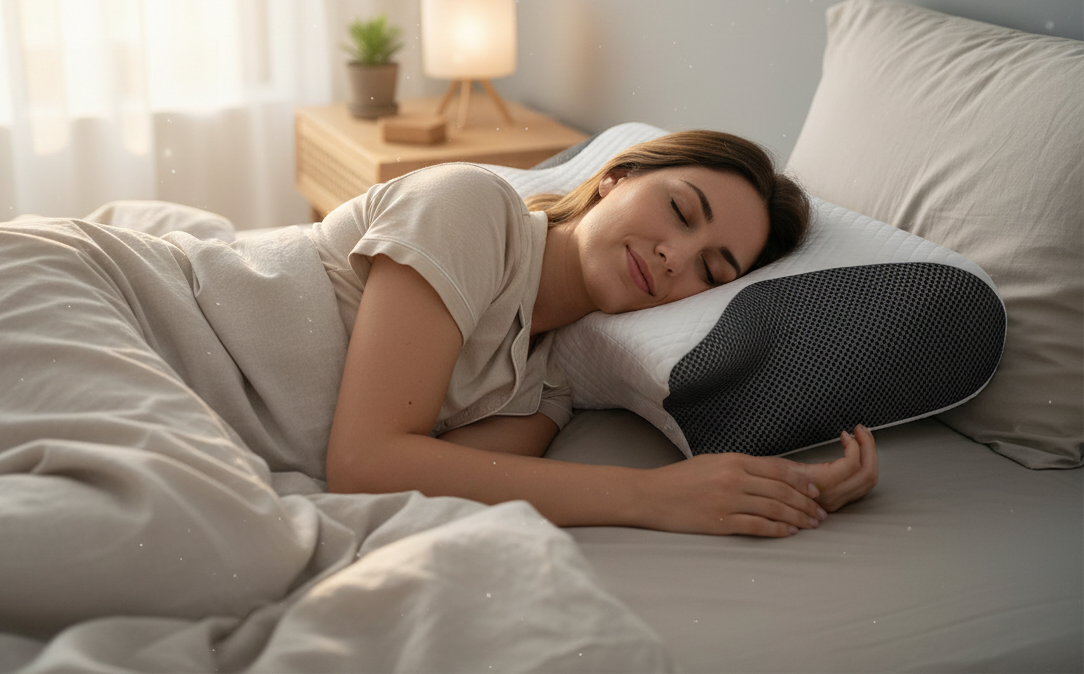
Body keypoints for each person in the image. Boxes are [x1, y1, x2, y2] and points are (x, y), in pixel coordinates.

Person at [316, 129, 879, 537]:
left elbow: (420, 497)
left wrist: (783, 494)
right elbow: (363, 463)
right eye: (681, 211)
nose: (674, 256)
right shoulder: (470, 205)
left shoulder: (544, 390)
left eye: (711, 271)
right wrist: (657, 495)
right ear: (616, 177)